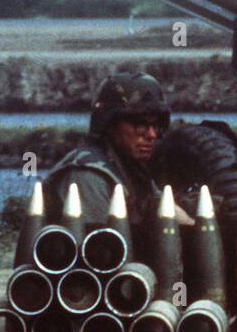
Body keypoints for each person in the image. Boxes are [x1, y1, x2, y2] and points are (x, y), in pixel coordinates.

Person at [42, 72, 170, 228]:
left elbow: (162, 207)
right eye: (140, 124)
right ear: (110, 124)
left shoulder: (130, 167)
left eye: (156, 125)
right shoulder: (87, 174)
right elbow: (97, 246)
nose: (151, 134)